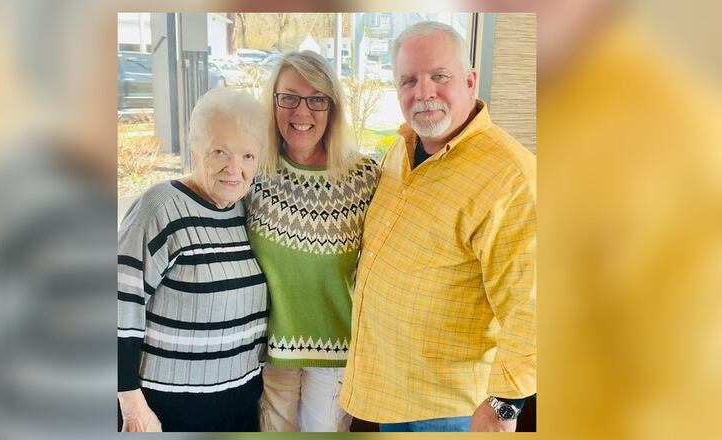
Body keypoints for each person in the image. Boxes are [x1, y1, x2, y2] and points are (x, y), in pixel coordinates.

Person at [339, 21, 537, 432]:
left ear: (469, 80)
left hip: (452, 411)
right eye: (409, 80)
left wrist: (503, 408)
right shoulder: (404, 145)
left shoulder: (511, 177)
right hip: (391, 392)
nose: (423, 92)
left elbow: (535, 308)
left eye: (439, 76)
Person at [117, 87, 269, 432]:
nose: (235, 169)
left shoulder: (245, 212)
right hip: (167, 409)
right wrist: (132, 405)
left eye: (248, 156)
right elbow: (118, 307)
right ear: (195, 151)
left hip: (240, 405)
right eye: (220, 152)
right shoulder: (159, 208)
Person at [244, 50, 381, 432]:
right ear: (272, 103)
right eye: (288, 97)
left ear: (332, 108)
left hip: (338, 349)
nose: (301, 112)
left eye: (316, 99)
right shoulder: (255, 171)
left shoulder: (364, 177)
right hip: (269, 350)